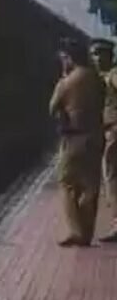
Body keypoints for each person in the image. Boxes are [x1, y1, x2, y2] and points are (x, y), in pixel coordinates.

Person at [49, 37, 105, 246]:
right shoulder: (97, 78)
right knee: (91, 185)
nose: (63, 62)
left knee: (67, 183)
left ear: (70, 58)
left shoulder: (66, 82)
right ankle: (87, 233)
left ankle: (76, 230)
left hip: (74, 138)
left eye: (64, 58)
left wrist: (63, 80)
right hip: (95, 135)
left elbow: (52, 108)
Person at [90, 38, 117, 242]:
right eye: (94, 54)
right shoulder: (103, 76)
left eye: (100, 53)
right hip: (108, 132)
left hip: (114, 131)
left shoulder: (114, 75)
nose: (96, 57)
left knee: (112, 178)